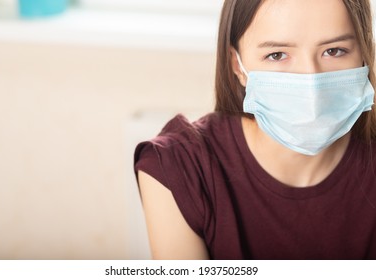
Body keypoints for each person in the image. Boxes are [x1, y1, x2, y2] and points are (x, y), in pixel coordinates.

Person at [134, 0, 376, 259]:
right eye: (277, 55)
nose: (311, 80)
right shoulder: (179, 168)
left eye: (335, 51)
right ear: (237, 65)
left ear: (364, 52)